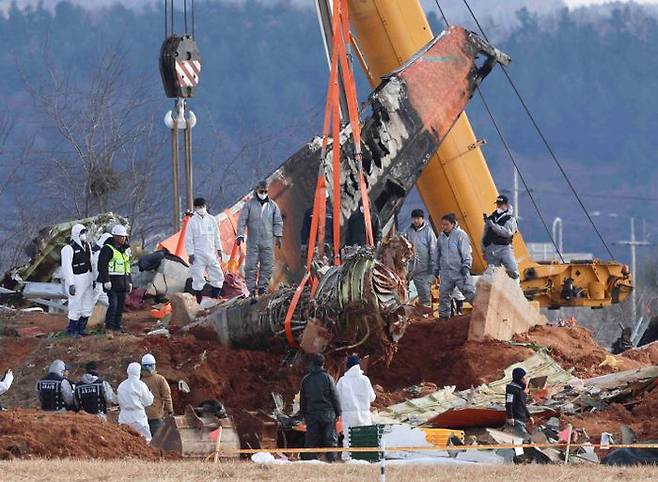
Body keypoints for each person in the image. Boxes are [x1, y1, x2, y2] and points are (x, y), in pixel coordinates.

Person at [236, 180, 284, 296]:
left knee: (267, 265)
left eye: (265, 191)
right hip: (253, 242)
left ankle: (263, 288)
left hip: (268, 241)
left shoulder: (272, 206)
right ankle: (252, 289)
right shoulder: (249, 205)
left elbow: (278, 221)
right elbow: (242, 221)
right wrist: (240, 234)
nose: (263, 193)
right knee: (250, 266)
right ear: (257, 191)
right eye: (261, 191)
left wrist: (278, 235)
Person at [299, 354, 341, 462]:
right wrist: (338, 412)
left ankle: (310, 461)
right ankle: (331, 460)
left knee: (311, 440)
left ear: (312, 364)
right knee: (330, 439)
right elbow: (334, 396)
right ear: (323, 364)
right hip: (328, 413)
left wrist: (302, 415)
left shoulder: (306, 380)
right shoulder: (328, 378)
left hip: (312, 414)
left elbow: (303, 400)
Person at [336, 355, 376, 460]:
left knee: (349, 438)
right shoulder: (365, 380)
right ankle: (366, 458)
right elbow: (372, 397)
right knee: (365, 436)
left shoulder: (342, 381)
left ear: (348, 366)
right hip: (364, 414)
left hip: (348, 414)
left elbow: (337, 399)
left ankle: (348, 458)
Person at [436, 213, 476, 319]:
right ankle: (443, 319)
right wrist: (436, 267)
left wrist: (466, 266)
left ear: (453, 224)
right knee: (444, 296)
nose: (444, 227)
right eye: (442, 225)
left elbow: (466, 252)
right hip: (446, 272)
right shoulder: (441, 237)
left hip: (459, 271)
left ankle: (481, 313)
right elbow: (438, 253)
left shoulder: (461, 235)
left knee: (469, 293)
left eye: (446, 224)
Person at [185, 198, 224, 304]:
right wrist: (190, 254)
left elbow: (216, 236)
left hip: (211, 254)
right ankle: (198, 302)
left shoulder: (212, 220)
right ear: (195, 208)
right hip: (198, 255)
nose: (201, 209)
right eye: (198, 207)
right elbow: (188, 239)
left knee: (218, 276)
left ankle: (214, 300)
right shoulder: (192, 222)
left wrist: (219, 249)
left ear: (205, 206)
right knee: (197, 279)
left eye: (202, 206)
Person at [60, 223, 95, 337]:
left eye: (85, 232)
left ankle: (81, 328)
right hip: (77, 278)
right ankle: (71, 330)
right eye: (82, 233)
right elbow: (66, 267)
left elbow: (91, 262)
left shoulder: (87, 246)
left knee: (87, 303)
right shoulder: (68, 248)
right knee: (75, 304)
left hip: (88, 277)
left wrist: (93, 278)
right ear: (76, 234)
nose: (84, 235)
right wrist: (71, 284)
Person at [98, 224, 132, 331]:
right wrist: (106, 280)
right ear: (115, 237)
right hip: (112, 284)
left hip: (123, 283)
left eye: (124, 237)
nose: (124, 238)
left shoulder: (125, 250)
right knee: (113, 305)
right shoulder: (107, 249)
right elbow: (102, 266)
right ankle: (109, 327)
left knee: (120, 306)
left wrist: (129, 282)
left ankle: (117, 326)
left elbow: (127, 267)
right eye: (122, 236)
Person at [402, 209, 437, 309]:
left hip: (424, 270)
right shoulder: (408, 231)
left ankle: (426, 315)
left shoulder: (428, 231)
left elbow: (433, 249)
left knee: (424, 294)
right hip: (410, 269)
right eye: (414, 218)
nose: (416, 221)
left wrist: (433, 266)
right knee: (404, 292)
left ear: (422, 219)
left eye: (418, 218)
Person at [482, 194, 519, 280]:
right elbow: (485, 234)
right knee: (491, 273)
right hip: (491, 248)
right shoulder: (492, 217)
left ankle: (516, 288)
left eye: (500, 204)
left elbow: (506, 233)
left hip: (504, 248)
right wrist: (484, 249)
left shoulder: (510, 219)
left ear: (506, 205)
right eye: (497, 204)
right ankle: (494, 290)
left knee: (512, 269)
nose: (498, 206)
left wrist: (493, 225)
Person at [117, 362, 154, 442]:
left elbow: (118, 400)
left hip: (124, 416)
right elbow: (148, 401)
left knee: (125, 439)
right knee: (145, 439)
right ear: (138, 372)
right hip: (138, 416)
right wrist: (150, 394)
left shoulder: (121, 386)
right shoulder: (140, 385)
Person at [140, 353, 174, 438]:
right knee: (158, 440)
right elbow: (167, 396)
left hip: (142, 416)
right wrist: (170, 410)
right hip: (156, 416)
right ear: (153, 365)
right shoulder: (160, 379)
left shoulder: (139, 380)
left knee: (145, 441)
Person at [505, 367, 533, 440]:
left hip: (522, 418)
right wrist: (510, 417)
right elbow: (509, 403)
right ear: (519, 378)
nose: (525, 380)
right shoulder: (511, 388)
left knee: (523, 439)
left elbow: (522, 404)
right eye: (524, 378)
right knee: (520, 439)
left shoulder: (519, 389)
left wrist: (529, 416)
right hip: (516, 419)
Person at [91, 233, 113, 309]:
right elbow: (95, 268)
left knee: (107, 302)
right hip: (96, 282)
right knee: (91, 302)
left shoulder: (98, 252)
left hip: (99, 283)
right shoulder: (98, 253)